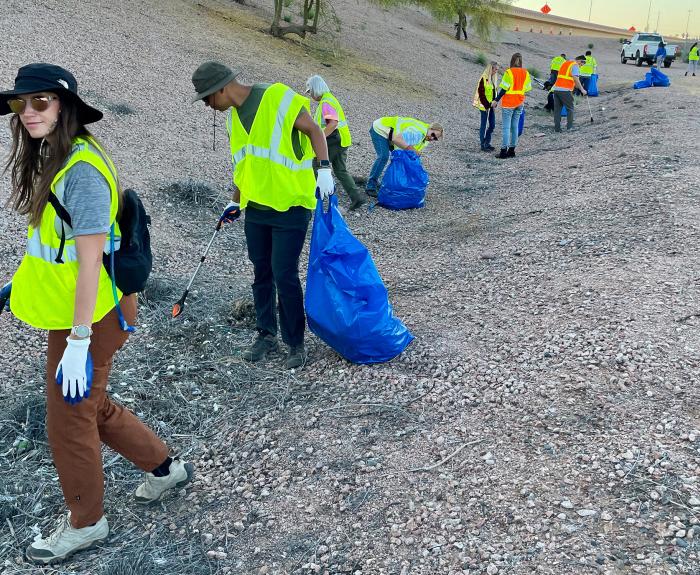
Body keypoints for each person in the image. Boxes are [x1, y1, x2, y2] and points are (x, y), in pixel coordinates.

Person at [0, 63, 194, 564]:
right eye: (21, 103)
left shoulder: (81, 171)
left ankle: (86, 524)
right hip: (76, 310)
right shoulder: (57, 156)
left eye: (40, 102)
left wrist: (80, 340)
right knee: (87, 403)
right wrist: (15, 285)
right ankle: (164, 469)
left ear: (65, 106)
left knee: (69, 418)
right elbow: (55, 250)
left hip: (93, 315)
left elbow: (89, 261)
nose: (28, 112)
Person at [191, 61, 333, 369]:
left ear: (223, 88)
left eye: (207, 98)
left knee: (284, 273)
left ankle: (295, 343)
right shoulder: (233, 121)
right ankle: (265, 335)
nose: (207, 105)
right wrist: (234, 201)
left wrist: (324, 171)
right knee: (262, 274)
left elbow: (314, 131)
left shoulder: (277, 97)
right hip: (256, 209)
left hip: (291, 205)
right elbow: (245, 166)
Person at [305, 75, 366, 211]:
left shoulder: (326, 102)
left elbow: (332, 124)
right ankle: (357, 197)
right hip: (342, 140)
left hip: (335, 139)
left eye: (310, 91)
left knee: (317, 164)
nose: (310, 95)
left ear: (315, 89)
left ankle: (317, 198)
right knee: (340, 170)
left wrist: (319, 137)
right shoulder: (329, 99)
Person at [365, 116, 443, 196]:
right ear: (430, 128)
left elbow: (408, 152)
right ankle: (370, 186)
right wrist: (411, 149)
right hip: (380, 129)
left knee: (400, 161)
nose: (432, 138)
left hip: (391, 134)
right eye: (433, 134)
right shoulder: (417, 133)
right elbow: (397, 140)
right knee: (383, 157)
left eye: (435, 138)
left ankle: (388, 183)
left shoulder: (425, 137)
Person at [492, 53, 531, 159]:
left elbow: (504, 88)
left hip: (508, 103)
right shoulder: (525, 72)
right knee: (514, 127)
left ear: (512, 60)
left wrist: (496, 100)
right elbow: (527, 88)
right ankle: (512, 151)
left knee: (506, 128)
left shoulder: (509, 72)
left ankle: (503, 151)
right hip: (520, 102)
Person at [551, 55, 587, 132]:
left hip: (556, 89)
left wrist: (577, 86)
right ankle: (570, 127)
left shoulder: (565, 63)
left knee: (557, 110)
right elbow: (576, 79)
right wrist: (582, 89)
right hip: (565, 90)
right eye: (582, 64)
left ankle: (557, 129)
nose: (581, 66)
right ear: (580, 61)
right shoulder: (575, 65)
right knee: (570, 108)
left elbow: (566, 77)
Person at [473, 61, 499, 151]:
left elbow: (494, 92)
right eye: (495, 69)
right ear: (490, 69)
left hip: (491, 106)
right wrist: (487, 105)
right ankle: (483, 144)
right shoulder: (483, 78)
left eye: (497, 69)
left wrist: (495, 103)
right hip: (484, 107)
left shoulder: (493, 79)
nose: (496, 70)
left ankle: (487, 142)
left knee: (492, 125)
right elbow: (481, 93)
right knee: (484, 125)